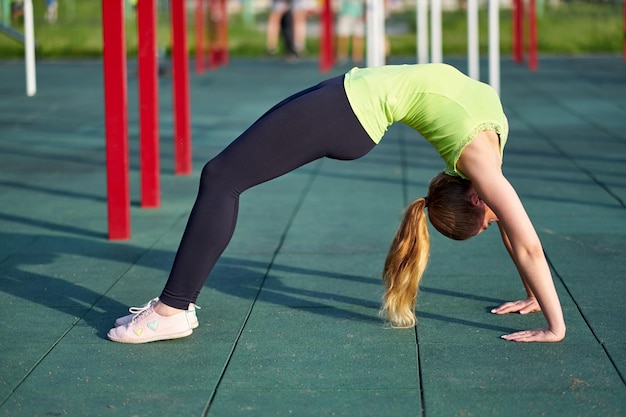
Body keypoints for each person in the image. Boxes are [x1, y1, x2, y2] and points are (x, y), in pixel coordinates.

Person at [108, 63, 566, 344]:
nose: (498, 218)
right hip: (347, 94)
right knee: (222, 175)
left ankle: (172, 310)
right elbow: (518, 235)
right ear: (478, 199)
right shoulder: (489, 166)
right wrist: (535, 298)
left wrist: (553, 322)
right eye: (489, 221)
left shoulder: (482, 163)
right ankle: (176, 307)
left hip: (350, 111)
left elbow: (521, 240)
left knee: (221, 177)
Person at [335, 0, 364, 64]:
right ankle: (341, 56)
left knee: (358, 37)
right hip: (344, 14)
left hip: (358, 14)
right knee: (343, 37)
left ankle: (358, 57)